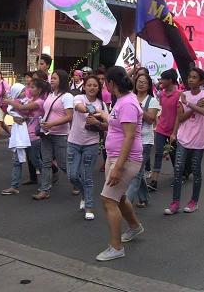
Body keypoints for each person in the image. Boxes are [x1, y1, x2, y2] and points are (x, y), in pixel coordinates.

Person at [96, 66, 144, 262]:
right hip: (115, 156)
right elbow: (117, 125)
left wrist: (118, 167)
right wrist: (102, 118)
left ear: (111, 83)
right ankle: (134, 227)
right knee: (119, 197)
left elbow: (130, 136)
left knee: (108, 200)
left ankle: (116, 247)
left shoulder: (128, 104)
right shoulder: (122, 101)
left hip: (125, 159)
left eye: (105, 82)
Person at [164, 68, 204, 215]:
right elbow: (181, 117)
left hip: (199, 138)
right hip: (184, 137)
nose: (191, 80)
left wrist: (189, 104)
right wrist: (174, 132)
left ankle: (193, 202)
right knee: (178, 169)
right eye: (189, 77)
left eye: (195, 77)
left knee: (196, 170)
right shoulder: (183, 95)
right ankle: (175, 203)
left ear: (201, 81)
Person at [67, 75, 108, 220]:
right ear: (84, 87)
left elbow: (107, 125)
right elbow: (78, 107)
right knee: (72, 175)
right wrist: (90, 111)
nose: (92, 88)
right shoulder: (79, 98)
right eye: (89, 85)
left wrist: (97, 122)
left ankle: (89, 206)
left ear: (99, 88)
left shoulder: (102, 105)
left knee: (87, 176)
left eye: (95, 85)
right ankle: (84, 195)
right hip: (74, 142)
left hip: (91, 143)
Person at [33, 70, 73, 200]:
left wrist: (52, 124)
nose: (52, 80)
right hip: (46, 134)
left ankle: (77, 182)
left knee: (63, 164)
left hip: (60, 134)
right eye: (52, 78)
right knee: (46, 162)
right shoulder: (50, 95)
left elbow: (69, 116)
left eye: (54, 78)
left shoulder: (67, 96)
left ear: (61, 80)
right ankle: (44, 190)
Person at [126, 74, 160, 208]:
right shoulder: (130, 97)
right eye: (139, 82)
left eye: (144, 82)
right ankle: (144, 198)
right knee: (136, 171)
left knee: (136, 172)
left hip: (145, 140)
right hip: (131, 138)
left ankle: (127, 201)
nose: (141, 84)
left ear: (149, 86)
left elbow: (151, 119)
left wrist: (139, 107)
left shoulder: (152, 101)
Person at [149, 69, 180, 191]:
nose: (160, 81)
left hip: (173, 130)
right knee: (158, 153)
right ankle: (154, 180)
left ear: (170, 81)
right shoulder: (161, 94)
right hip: (161, 128)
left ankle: (179, 175)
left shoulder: (178, 95)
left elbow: (179, 115)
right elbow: (160, 110)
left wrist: (174, 132)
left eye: (163, 79)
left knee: (173, 154)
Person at [0, 83, 31, 196]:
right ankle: (14, 186)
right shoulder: (14, 104)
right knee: (17, 161)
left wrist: (23, 118)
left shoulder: (28, 102)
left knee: (36, 160)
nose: (24, 93)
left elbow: (29, 114)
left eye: (24, 90)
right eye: (21, 91)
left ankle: (46, 182)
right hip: (20, 134)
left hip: (30, 135)